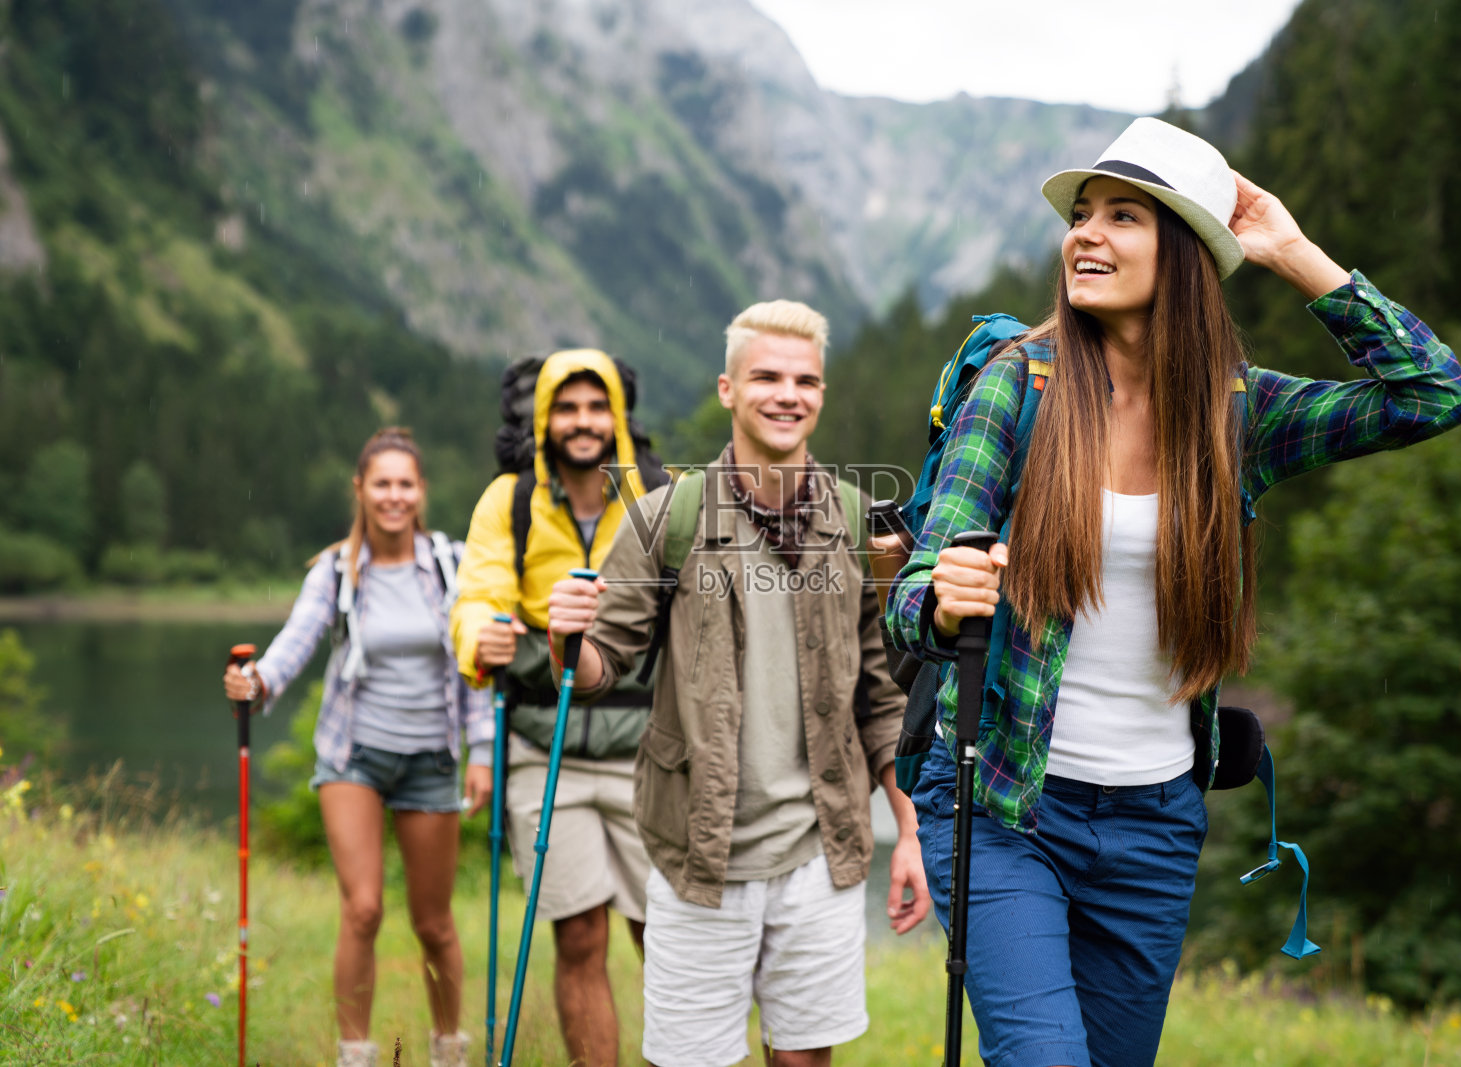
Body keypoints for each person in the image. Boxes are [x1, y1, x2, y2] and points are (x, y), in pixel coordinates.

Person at [885, 117, 1461, 1067]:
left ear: (1190, 254)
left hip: (1156, 823)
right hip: (1003, 809)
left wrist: (1293, 253)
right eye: (1082, 215)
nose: (1086, 234)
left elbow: (1434, 392)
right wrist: (944, 589)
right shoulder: (1018, 384)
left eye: (1124, 216)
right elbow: (911, 595)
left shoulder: (1239, 412)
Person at [547, 300, 932, 1067]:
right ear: (728, 388)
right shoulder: (667, 518)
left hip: (821, 854)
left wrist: (911, 833)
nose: (788, 394)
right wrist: (565, 636)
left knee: (802, 1059)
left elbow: (881, 701)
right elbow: (596, 670)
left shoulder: (855, 520)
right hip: (697, 856)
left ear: (821, 393)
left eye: (805, 379)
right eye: (767, 376)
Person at [220, 427, 492, 1067]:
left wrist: (481, 750)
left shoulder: (452, 566)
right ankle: (355, 1054)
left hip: (432, 759)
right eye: (382, 484)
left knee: (434, 923)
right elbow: (295, 642)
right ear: (361, 490)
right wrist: (255, 682)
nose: (393, 496)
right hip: (354, 757)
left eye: (405, 484)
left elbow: (473, 664)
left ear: (421, 490)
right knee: (363, 908)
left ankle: (448, 1049)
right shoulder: (336, 570)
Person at [450, 349, 664, 1067]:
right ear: (543, 419)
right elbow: (478, 592)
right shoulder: (507, 502)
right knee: (578, 935)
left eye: (596, 407)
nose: (583, 422)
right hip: (545, 749)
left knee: (662, 934)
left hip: (649, 751)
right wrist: (478, 636)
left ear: (618, 418)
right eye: (567, 408)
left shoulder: (658, 495)